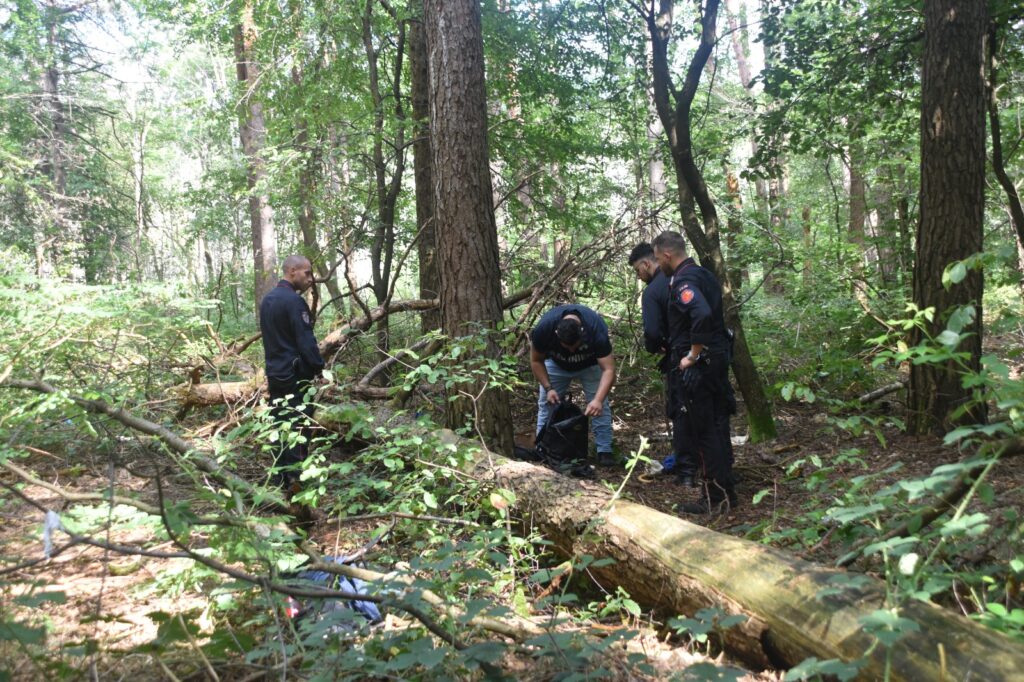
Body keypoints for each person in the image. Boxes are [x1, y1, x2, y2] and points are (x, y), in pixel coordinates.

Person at [651, 231, 737, 513]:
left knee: (704, 431)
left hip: (700, 367)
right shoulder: (704, 275)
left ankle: (715, 499)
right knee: (717, 424)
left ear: (666, 255)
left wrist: (692, 354)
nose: (658, 266)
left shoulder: (685, 281)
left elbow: (699, 313)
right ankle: (725, 490)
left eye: (657, 258)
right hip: (717, 358)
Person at [629, 242, 698, 486]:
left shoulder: (653, 291)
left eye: (638, 270)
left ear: (647, 263)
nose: (639, 275)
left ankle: (686, 471)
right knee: (703, 411)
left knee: (680, 411)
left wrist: (656, 346)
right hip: (703, 353)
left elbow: (652, 332)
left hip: (680, 358)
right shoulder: (689, 279)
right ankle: (706, 464)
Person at [259, 255, 325, 489]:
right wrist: (319, 368)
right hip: (295, 375)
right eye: (307, 273)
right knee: (298, 424)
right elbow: (305, 340)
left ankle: (279, 478)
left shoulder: (267, 300)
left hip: (275, 374)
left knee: (280, 422)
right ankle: (296, 480)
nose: (310, 279)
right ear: (292, 271)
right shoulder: (294, 302)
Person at [530, 304, 616, 473]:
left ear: (581, 333)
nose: (571, 350)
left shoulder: (595, 329)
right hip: (556, 364)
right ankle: (542, 447)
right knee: (546, 405)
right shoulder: (544, 329)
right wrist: (548, 388)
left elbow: (609, 369)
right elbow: (535, 361)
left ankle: (604, 450)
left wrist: (597, 400)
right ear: (557, 335)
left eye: (575, 345)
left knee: (601, 406)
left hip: (590, 365)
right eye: (566, 346)